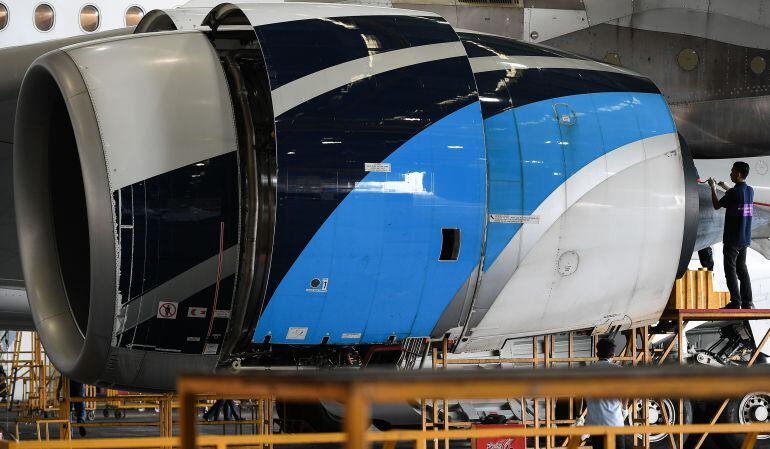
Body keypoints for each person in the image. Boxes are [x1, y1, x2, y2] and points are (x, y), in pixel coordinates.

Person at [708, 161, 754, 309]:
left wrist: (713, 188)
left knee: (731, 270)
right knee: (742, 269)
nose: (730, 173)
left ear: (739, 174)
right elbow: (736, 195)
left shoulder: (734, 193)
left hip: (732, 239)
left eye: (733, 171)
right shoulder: (750, 191)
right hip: (745, 239)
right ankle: (748, 303)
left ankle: (736, 302)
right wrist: (725, 186)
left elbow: (716, 205)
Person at [585, 338, 627, 449]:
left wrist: (579, 417)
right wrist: (624, 408)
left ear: (597, 353)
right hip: (614, 424)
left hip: (595, 425)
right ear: (613, 355)